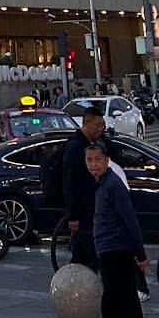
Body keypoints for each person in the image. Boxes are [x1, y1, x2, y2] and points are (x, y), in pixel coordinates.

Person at [79, 140, 155, 318]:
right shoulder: (102, 184)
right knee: (129, 310)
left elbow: (129, 219)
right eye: (89, 160)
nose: (93, 165)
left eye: (97, 160)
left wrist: (140, 254)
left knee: (112, 312)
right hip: (113, 252)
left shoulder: (113, 184)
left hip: (115, 254)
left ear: (106, 160)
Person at [60, 106, 114, 268]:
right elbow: (70, 183)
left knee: (82, 258)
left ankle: (75, 286)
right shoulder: (76, 147)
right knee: (92, 254)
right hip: (83, 212)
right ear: (87, 123)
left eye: (102, 126)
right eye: (97, 125)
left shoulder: (92, 143)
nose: (100, 129)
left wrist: (102, 137)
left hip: (92, 209)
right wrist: (73, 215)